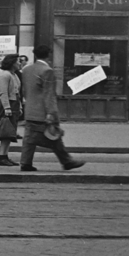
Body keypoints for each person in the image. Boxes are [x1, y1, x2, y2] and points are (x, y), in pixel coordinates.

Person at [19, 44, 85, 172]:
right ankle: (66, 161)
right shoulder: (47, 71)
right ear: (49, 55)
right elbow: (49, 94)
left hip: (30, 109)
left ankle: (25, 163)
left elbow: (25, 91)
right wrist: (51, 113)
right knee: (54, 137)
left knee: (29, 138)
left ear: (35, 54)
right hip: (42, 112)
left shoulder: (26, 70)